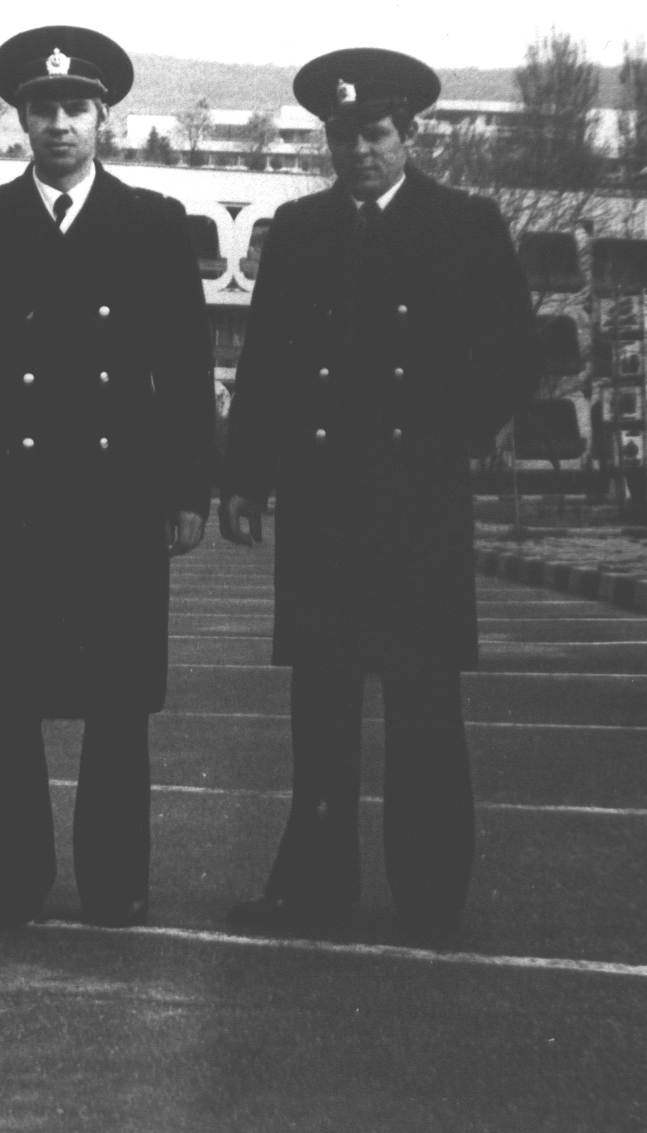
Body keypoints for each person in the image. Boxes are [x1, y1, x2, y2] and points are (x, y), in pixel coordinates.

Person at [218, 48, 541, 943]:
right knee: (321, 701)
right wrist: (244, 479)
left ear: (409, 135)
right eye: (342, 136)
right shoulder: (302, 228)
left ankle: (430, 893)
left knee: (422, 699)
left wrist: (448, 434)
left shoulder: (464, 223)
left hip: (415, 502)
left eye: (375, 134)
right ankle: (313, 888)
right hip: (322, 501)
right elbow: (267, 364)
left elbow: (516, 355)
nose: (358, 151)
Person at [0, 26, 217, 928]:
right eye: (43, 109)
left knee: (117, 702)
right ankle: (8, 877)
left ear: (103, 118)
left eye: (75, 108)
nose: (59, 124)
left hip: (116, 500)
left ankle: (114, 879)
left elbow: (184, 368)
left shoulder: (152, 224)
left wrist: (188, 490)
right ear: (22, 119)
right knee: (9, 701)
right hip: (9, 500)